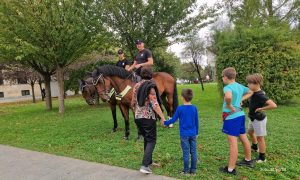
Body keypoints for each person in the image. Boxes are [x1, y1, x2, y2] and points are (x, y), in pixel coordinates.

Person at [219, 67, 254, 175]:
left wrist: (229, 105)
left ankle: (230, 169)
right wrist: (240, 100)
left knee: (233, 143)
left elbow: (228, 97)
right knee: (243, 137)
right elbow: (251, 91)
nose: (222, 78)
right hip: (240, 115)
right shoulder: (239, 86)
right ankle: (248, 160)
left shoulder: (227, 87)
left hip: (232, 118)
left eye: (222, 77)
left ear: (225, 77)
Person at [131, 67, 166, 174]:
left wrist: (137, 112)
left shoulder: (136, 85)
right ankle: (144, 166)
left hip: (138, 118)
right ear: (151, 75)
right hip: (148, 118)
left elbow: (133, 102)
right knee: (151, 140)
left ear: (141, 75)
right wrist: (163, 117)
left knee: (147, 139)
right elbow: (155, 104)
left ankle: (149, 161)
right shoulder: (150, 87)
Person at [163, 89, 199, 175]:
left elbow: (173, 120)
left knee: (186, 152)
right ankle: (193, 170)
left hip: (184, 135)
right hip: (193, 134)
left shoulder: (180, 108)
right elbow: (196, 121)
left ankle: (186, 171)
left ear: (182, 97)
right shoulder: (194, 108)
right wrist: (197, 132)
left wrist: (165, 122)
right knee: (193, 152)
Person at [246, 73, 277, 163]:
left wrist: (262, 108)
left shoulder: (260, 95)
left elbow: (273, 105)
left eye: (249, 83)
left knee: (260, 138)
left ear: (256, 84)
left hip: (259, 119)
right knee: (250, 132)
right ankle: (255, 146)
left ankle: (262, 158)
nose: (248, 85)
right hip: (252, 117)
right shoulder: (253, 92)